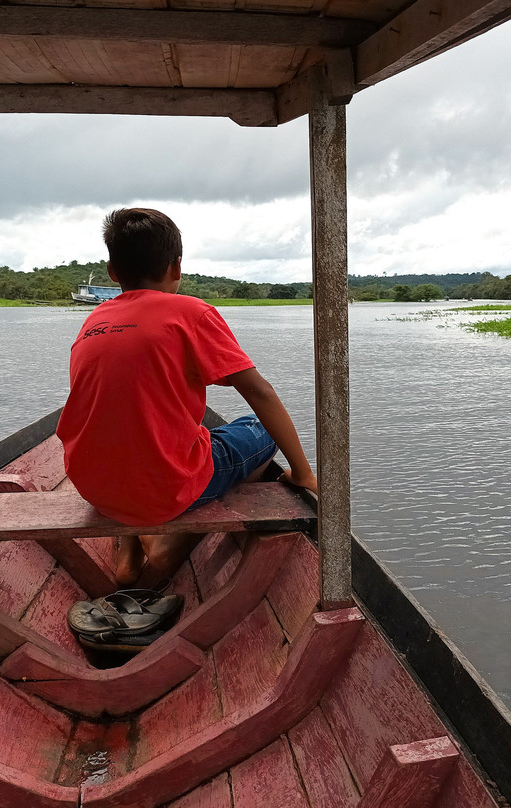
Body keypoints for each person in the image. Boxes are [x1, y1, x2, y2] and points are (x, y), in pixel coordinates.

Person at [57, 208, 318, 587]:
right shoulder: (191, 313)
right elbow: (259, 391)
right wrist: (304, 474)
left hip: (93, 485)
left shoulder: (94, 320)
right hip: (164, 488)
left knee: (140, 442)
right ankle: (167, 548)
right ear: (176, 266)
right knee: (258, 430)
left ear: (113, 271)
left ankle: (127, 544)